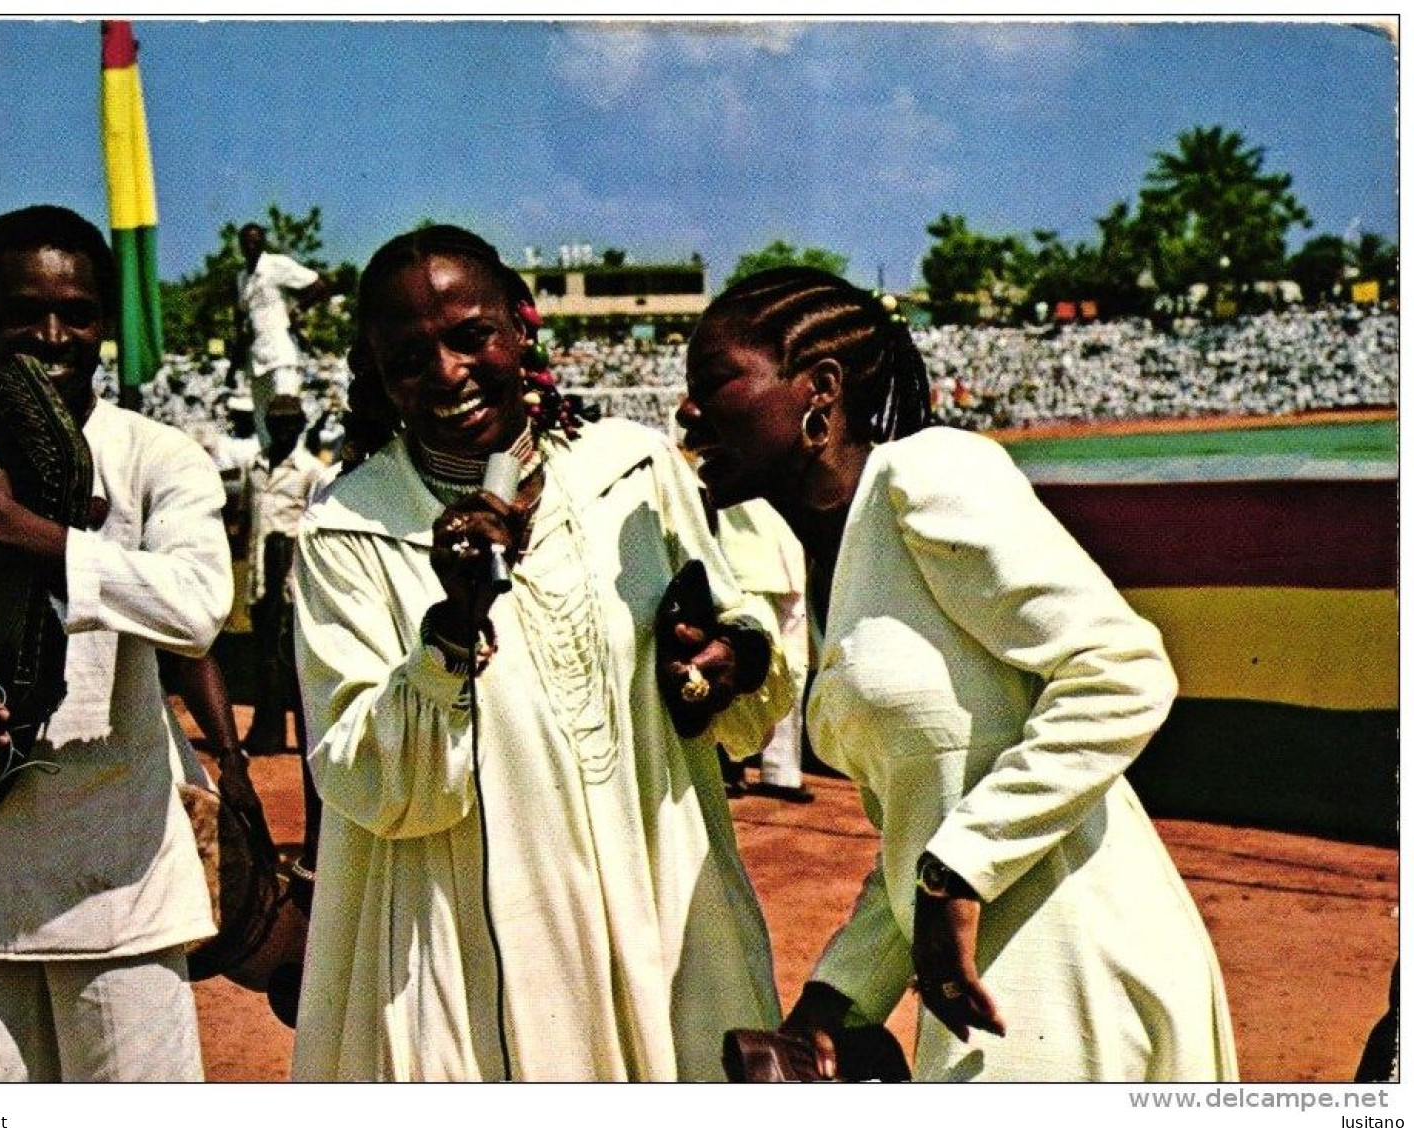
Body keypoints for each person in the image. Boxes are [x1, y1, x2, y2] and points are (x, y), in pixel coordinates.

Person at [677, 266, 1237, 1082]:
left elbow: (1121, 668)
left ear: (819, 390)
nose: (690, 410)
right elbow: (924, 824)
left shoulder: (924, 476)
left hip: (1074, 969)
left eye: (715, 381)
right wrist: (832, 1007)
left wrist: (956, 874)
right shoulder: (832, 568)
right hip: (985, 990)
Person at [289, 224, 790, 1081]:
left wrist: (727, 658)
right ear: (376, 375)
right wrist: (451, 628)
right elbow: (366, 778)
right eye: (409, 357)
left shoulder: (631, 471)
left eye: (470, 336)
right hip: (474, 930)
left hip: (662, 890)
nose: (447, 373)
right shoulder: (349, 530)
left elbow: (743, 644)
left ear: (522, 330)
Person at [0, 205, 232, 1082]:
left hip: (123, 883)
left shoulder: (157, 457)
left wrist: (24, 532)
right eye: (25, 311)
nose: (54, 334)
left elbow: (199, 609)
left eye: (77, 311)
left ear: (105, 319)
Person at [240, 393, 327, 755]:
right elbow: (247, 519)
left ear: (300, 426)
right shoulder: (255, 466)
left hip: (290, 579)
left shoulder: (311, 472)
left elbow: (315, 526)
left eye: (289, 423)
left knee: (291, 660)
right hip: (260, 575)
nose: (282, 430)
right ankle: (267, 732)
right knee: (265, 657)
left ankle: (306, 736)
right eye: (276, 423)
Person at [713, 498, 813, 803]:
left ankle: (781, 772)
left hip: (785, 558)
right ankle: (731, 764)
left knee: (791, 665)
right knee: (741, 662)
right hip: (743, 561)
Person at [234, 222, 329, 445]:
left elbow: (318, 285)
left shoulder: (276, 265)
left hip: (280, 352)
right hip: (256, 358)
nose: (251, 246)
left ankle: (293, 462)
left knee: (286, 410)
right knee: (262, 418)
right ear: (241, 246)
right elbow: (239, 317)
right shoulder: (242, 279)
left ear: (262, 243)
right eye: (246, 242)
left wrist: (298, 310)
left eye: (256, 241)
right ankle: (270, 467)